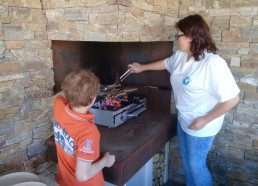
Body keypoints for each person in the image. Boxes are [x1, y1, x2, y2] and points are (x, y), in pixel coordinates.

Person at [128, 14, 240, 186]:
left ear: (191, 37)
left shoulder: (212, 64)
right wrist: (141, 68)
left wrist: (204, 120)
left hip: (202, 125)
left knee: (196, 167)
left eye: (178, 35)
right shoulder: (181, 55)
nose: (176, 39)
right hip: (184, 119)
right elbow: (166, 63)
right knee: (188, 163)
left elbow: (232, 99)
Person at [52, 69, 115, 186]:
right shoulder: (88, 132)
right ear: (92, 100)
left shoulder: (59, 106)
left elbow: (58, 95)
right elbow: (82, 176)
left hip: (64, 181)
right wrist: (105, 161)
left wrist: (72, 91)